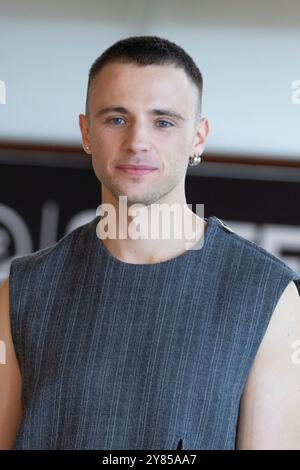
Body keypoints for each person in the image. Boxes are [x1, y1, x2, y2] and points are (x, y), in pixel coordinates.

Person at [1, 35, 300, 450]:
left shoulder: (266, 294)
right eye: (116, 119)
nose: (138, 141)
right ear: (87, 132)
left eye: (164, 121)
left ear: (198, 137)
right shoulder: (23, 289)